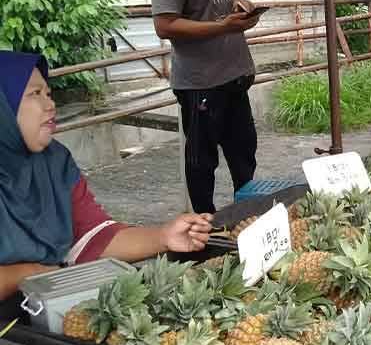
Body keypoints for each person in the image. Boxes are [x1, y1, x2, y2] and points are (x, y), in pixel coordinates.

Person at [0, 51, 213, 311]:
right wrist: (30, 272)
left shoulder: (54, 161)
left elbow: (92, 237)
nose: (50, 105)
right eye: (35, 94)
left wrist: (164, 236)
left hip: (50, 308)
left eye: (48, 93)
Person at [151, 0, 259, 214]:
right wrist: (225, 27)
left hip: (233, 76)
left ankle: (247, 215)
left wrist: (244, 8)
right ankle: (203, 228)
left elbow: (229, 2)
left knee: (243, 153)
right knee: (202, 162)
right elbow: (165, 26)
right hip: (200, 83)